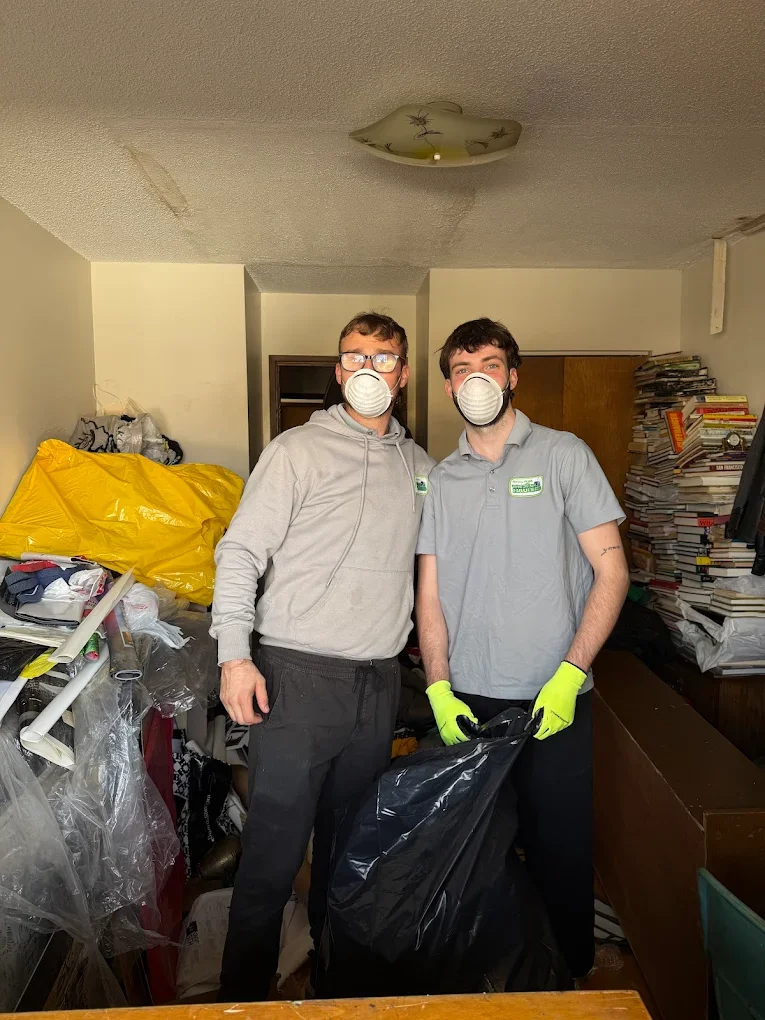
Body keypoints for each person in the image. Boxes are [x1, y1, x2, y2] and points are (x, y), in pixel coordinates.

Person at [210, 312, 434, 1001]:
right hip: (296, 680)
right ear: (338, 372)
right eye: (355, 357)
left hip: (376, 685)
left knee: (348, 854)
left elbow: (431, 576)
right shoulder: (294, 452)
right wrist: (233, 656)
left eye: (384, 358)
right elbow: (240, 552)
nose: (369, 370)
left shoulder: (421, 468)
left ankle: (339, 991)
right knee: (274, 857)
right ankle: (240, 1002)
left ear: (402, 372)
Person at [415, 317, 629, 980]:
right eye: (459, 368)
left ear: (511, 375)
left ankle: (566, 981)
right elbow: (430, 596)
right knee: (476, 850)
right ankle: (491, 980)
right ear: (448, 386)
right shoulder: (437, 478)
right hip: (469, 702)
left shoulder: (564, 456)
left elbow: (611, 570)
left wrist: (569, 675)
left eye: (487, 363)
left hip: (553, 700)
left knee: (560, 853)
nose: (474, 378)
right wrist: (437, 688)